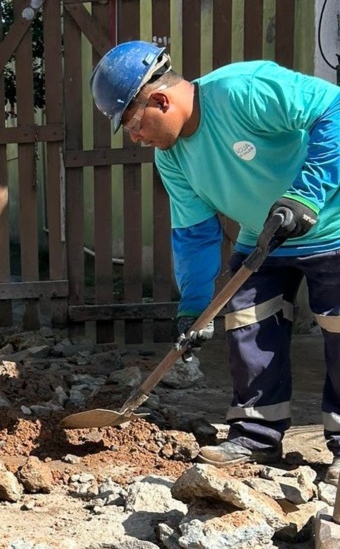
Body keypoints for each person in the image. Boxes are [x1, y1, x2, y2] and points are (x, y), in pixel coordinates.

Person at [90, 40, 340, 477]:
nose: (135, 138)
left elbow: (334, 111)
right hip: (262, 235)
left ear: (161, 100)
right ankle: (256, 437)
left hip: (331, 225)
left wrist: (306, 195)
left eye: (132, 125)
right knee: (247, 324)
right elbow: (194, 234)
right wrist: (194, 307)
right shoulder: (171, 158)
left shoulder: (242, 89)